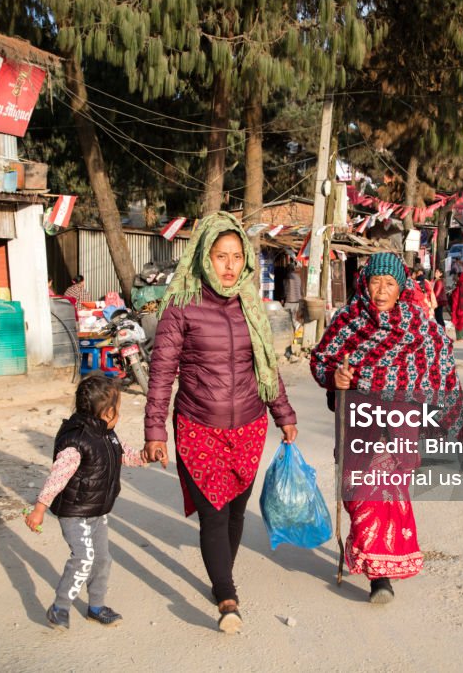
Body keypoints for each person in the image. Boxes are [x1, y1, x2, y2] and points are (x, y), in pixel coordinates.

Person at [142, 212, 298, 634]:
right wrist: (155, 430)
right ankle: (227, 596)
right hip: (199, 426)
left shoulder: (251, 303)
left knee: (234, 513)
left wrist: (283, 413)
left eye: (235, 256)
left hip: (249, 424)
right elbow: (161, 374)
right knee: (214, 512)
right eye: (220, 256)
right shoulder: (180, 306)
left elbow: (267, 365)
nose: (228, 266)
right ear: (203, 258)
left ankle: (220, 574)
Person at [310, 253, 463, 603]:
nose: (381, 290)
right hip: (358, 423)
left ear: (401, 287)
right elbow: (322, 360)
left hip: (398, 425)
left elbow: (442, 366)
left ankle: (381, 577)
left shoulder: (418, 324)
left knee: (387, 496)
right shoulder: (347, 320)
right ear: (365, 284)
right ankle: (371, 558)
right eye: (376, 282)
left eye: (389, 283)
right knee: (358, 495)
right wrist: (335, 377)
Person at [25, 374, 159, 630]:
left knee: (102, 559)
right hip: (75, 513)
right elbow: (57, 477)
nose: (118, 415)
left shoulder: (107, 434)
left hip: (97, 511)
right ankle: (60, 608)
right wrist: (40, 509)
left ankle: (96, 606)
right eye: (117, 410)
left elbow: (124, 455)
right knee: (84, 557)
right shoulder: (77, 441)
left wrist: (145, 456)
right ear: (107, 413)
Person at [450, 267, 463, 341]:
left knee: (459, 321)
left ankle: (459, 337)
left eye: (456, 276)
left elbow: (457, 297)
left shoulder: (460, 285)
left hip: (460, 306)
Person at [282, 261, 304, 329]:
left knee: (286, 316)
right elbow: (301, 289)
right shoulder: (298, 277)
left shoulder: (287, 277)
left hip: (290, 301)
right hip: (298, 301)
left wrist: (282, 298)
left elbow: (285, 289)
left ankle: (297, 325)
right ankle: (294, 331)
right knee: (293, 317)